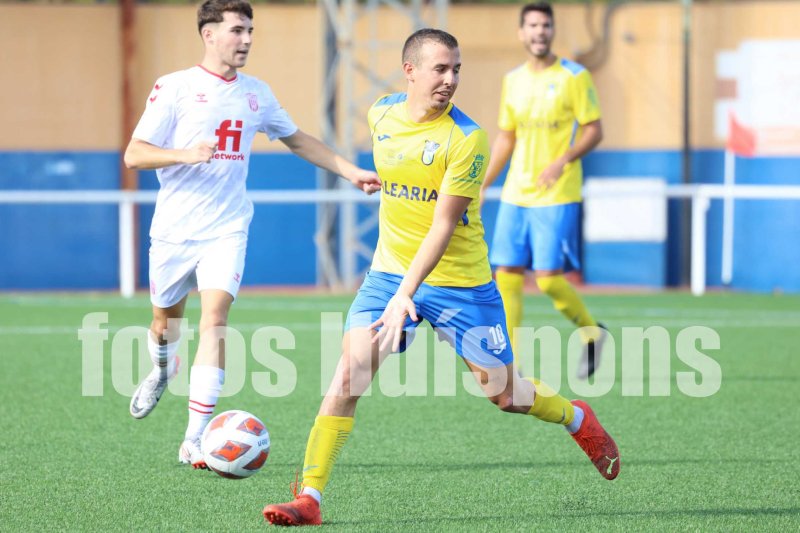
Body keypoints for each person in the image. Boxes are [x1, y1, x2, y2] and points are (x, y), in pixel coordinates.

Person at [262, 28, 619, 527]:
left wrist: (406, 295)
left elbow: (443, 226)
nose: (450, 80)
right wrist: (362, 182)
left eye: (456, 70)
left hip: (460, 282)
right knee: (350, 371)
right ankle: (311, 497)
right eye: (440, 69)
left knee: (504, 394)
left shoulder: (466, 138)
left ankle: (577, 418)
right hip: (389, 272)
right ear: (410, 71)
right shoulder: (381, 113)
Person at [123, 0, 381, 469]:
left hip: (227, 227)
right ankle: (163, 370)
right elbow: (134, 154)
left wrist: (350, 171)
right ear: (209, 34)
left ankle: (195, 438)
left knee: (215, 320)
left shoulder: (256, 93)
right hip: (174, 232)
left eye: (250, 31)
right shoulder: (175, 88)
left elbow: (297, 138)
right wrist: (184, 154)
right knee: (165, 325)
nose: (246, 40)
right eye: (237, 30)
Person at [480, 2, 606, 379]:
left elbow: (594, 129)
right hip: (516, 194)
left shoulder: (574, 76)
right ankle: (511, 363)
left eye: (545, 26)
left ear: (552, 32)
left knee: (549, 278)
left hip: (557, 193)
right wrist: (484, 183)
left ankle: (592, 332)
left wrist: (562, 159)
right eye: (532, 26)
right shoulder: (513, 79)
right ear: (522, 33)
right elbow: (506, 137)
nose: (539, 32)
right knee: (507, 274)